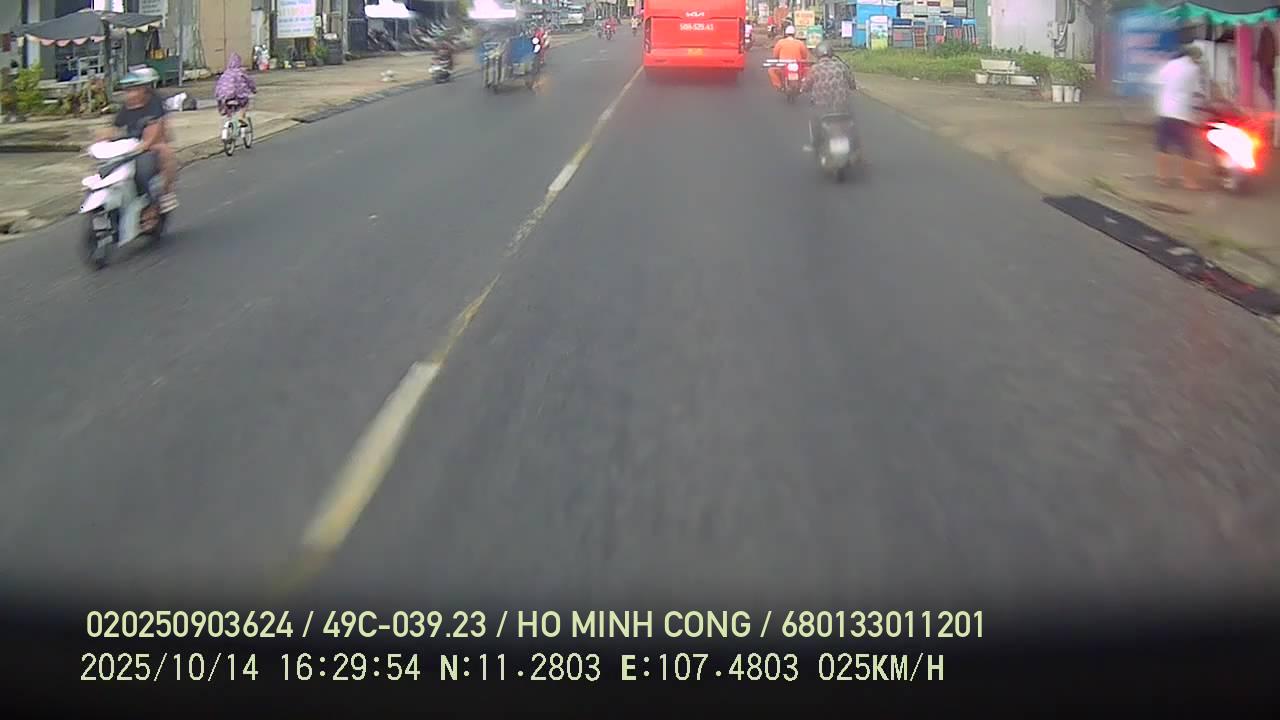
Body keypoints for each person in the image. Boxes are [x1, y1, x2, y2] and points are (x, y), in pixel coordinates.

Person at [101, 67, 178, 217]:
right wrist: (102, 140)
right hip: (131, 144)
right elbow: (115, 127)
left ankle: (165, 194)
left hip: (152, 144)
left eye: (135, 89)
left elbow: (156, 129)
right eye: (128, 90)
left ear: (144, 89)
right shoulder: (126, 107)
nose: (131, 94)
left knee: (165, 153)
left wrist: (145, 145)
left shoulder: (155, 103)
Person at [1153, 45, 1205, 190]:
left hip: (1164, 111)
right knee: (1188, 150)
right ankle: (1189, 181)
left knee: (1163, 146)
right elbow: (1197, 91)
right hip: (1181, 114)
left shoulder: (1170, 64)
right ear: (1194, 57)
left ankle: (1162, 178)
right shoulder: (1193, 69)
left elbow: (1158, 81)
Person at [802, 41, 858, 152]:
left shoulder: (814, 69)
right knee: (852, 125)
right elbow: (852, 84)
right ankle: (856, 148)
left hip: (822, 110)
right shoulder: (841, 66)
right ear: (831, 53)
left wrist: (803, 89)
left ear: (817, 54)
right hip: (842, 108)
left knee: (814, 123)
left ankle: (815, 145)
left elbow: (806, 86)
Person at [214, 52, 257, 129]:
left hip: (224, 96)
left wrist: (218, 96)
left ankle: (229, 119)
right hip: (238, 96)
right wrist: (253, 90)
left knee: (227, 106)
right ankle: (241, 117)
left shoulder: (225, 74)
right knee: (245, 103)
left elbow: (218, 86)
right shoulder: (241, 73)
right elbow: (250, 82)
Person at [769, 25, 809, 91]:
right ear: (794, 34)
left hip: (783, 66)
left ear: (785, 34)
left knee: (771, 70)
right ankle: (803, 84)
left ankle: (779, 86)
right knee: (808, 70)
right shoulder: (800, 43)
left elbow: (775, 55)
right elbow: (804, 56)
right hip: (798, 65)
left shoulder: (780, 42)